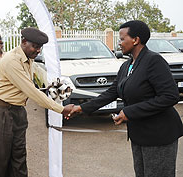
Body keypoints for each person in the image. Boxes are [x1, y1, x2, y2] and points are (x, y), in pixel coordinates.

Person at [69, 20, 183, 177]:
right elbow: (112, 92)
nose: (119, 43)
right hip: (139, 134)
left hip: (159, 134)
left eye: (122, 39)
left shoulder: (154, 61)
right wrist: (82, 108)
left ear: (135, 40)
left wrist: (129, 112)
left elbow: (170, 96)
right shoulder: (127, 65)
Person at [0, 27, 73, 177]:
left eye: (40, 47)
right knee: (2, 160)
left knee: (19, 156)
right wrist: (61, 109)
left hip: (17, 111)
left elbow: (35, 84)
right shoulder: (12, 60)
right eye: (35, 46)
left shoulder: (29, 59)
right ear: (24, 42)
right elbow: (31, 91)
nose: (38, 50)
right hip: (1, 112)